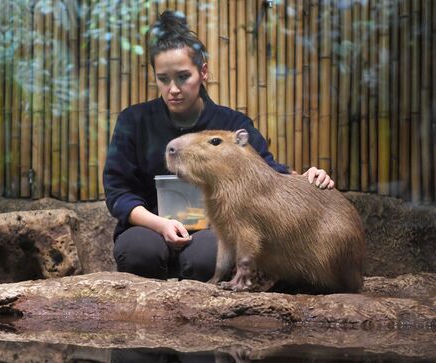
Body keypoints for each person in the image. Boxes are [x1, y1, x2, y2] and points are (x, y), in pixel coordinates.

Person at [102, 10, 334, 283]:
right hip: (150, 226)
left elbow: (267, 173)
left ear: (203, 72)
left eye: (182, 76)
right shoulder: (134, 120)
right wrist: (161, 224)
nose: (173, 89)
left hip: (215, 229)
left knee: (205, 259)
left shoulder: (232, 124)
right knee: (137, 251)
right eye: (163, 79)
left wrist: (309, 178)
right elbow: (119, 190)